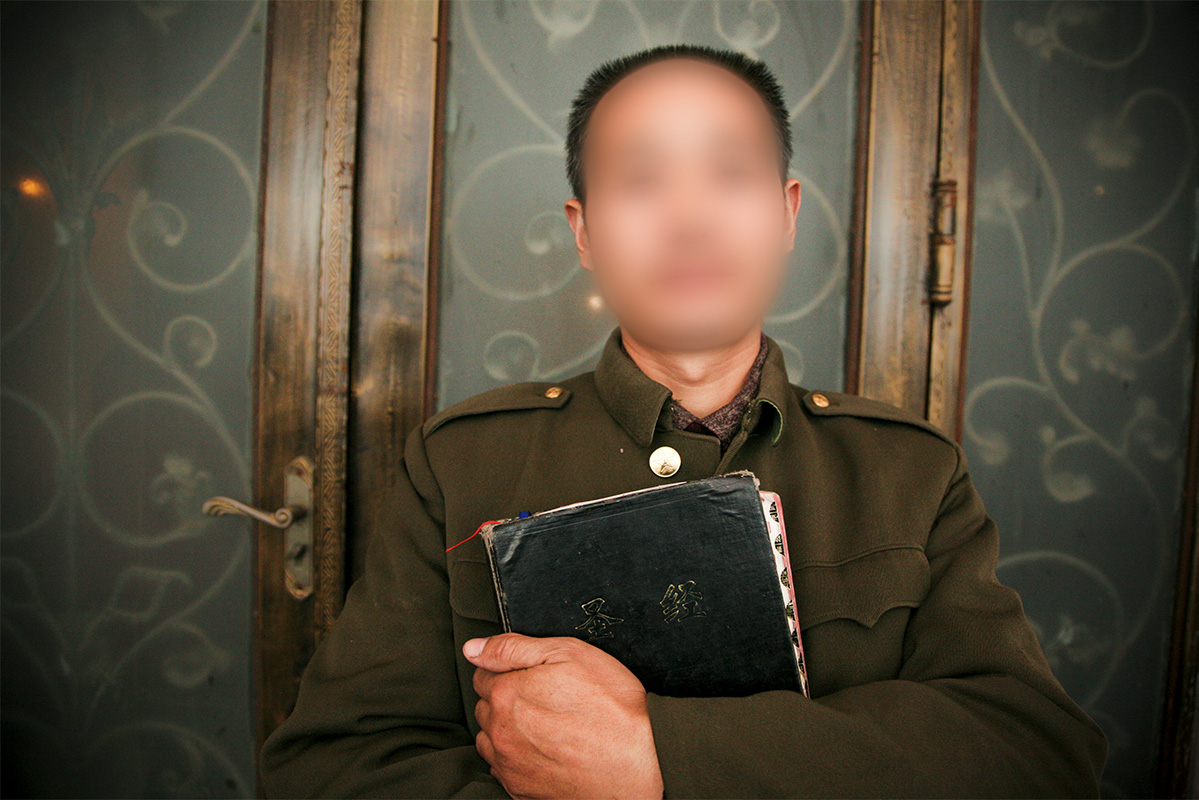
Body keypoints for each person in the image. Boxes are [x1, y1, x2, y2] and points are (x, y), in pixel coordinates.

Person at [259, 43, 1107, 798]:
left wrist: (657, 757)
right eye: (640, 180)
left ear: (786, 212)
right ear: (583, 230)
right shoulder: (462, 463)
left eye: (729, 174)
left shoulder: (907, 471)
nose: (689, 218)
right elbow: (332, 764)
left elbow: (1033, 754)